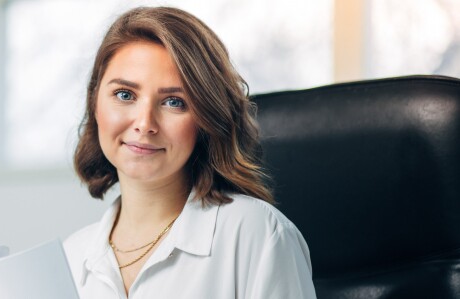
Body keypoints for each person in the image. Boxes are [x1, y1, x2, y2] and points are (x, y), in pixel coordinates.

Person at [63, 6, 316, 298]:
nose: (145, 124)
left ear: (205, 119)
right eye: (125, 95)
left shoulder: (255, 234)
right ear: (95, 103)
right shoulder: (70, 258)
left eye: (174, 102)